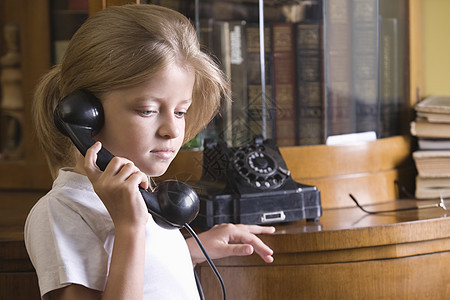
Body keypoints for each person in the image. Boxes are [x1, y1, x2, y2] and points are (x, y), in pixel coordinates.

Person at [24, 4, 275, 300]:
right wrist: (129, 228)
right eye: (148, 110)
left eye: (181, 112)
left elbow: (142, 275)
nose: (172, 130)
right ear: (84, 114)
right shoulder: (62, 212)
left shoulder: (142, 195)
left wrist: (189, 250)